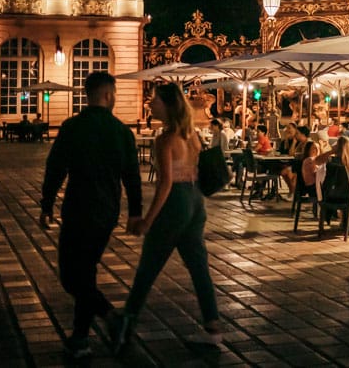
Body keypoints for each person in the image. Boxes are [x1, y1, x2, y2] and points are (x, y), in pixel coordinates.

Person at [39, 71, 142, 359]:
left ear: (88, 94)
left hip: (77, 208)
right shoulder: (122, 132)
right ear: (108, 94)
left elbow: (55, 167)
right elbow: (132, 177)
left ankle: (84, 336)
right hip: (107, 210)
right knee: (83, 273)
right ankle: (101, 324)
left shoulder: (72, 127)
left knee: (73, 276)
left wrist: (47, 203)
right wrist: (135, 212)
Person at [114, 82, 221, 352]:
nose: (150, 104)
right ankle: (212, 327)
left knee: (149, 266)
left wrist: (148, 220)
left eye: (155, 101)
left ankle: (126, 323)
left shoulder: (166, 140)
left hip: (175, 204)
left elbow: (165, 184)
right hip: (196, 201)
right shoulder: (192, 135)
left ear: (168, 105)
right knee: (199, 266)